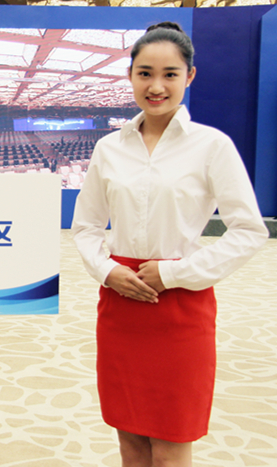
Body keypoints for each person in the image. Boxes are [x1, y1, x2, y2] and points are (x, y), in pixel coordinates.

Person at [71, 22, 267, 467]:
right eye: (145, 73)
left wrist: (175, 272)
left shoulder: (212, 145)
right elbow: (85, 227)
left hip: (180, 306)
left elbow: (249, 230)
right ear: (130, 75)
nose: (156, 86)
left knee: (172, 445)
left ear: (189, 76)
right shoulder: (109, 148)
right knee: (130, 441)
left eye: (170, 74)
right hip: (120, 303)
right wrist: (107, 270)